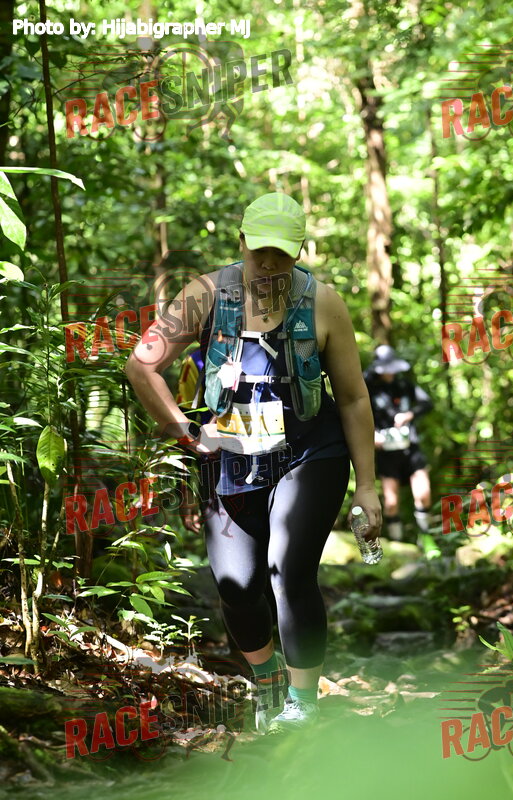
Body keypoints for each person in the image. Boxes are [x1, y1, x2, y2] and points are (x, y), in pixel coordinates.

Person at [125, 191, 382, 734]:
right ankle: (267, 679)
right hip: (231, 454)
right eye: (259, 250)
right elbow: (142, 365)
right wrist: (184, 430)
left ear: (298, 251)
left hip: (310, 450)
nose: (268, 263)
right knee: (237, 585)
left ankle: (302, 704)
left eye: (281, 253)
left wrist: (367, 486)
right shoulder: (205, 295)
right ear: (241, 242)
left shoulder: (324, 303)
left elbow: (354, 398)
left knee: (288, 570)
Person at [363, 345, 440, 558]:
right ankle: (397, 547)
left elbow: (426, 403)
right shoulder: (369, 388)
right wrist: (372, 435)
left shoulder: (404, 385)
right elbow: (355, 411)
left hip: (410, 447)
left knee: (423, 494)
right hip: (386, 452)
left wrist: (409, 414)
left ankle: (426, 537)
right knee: (391, 503)